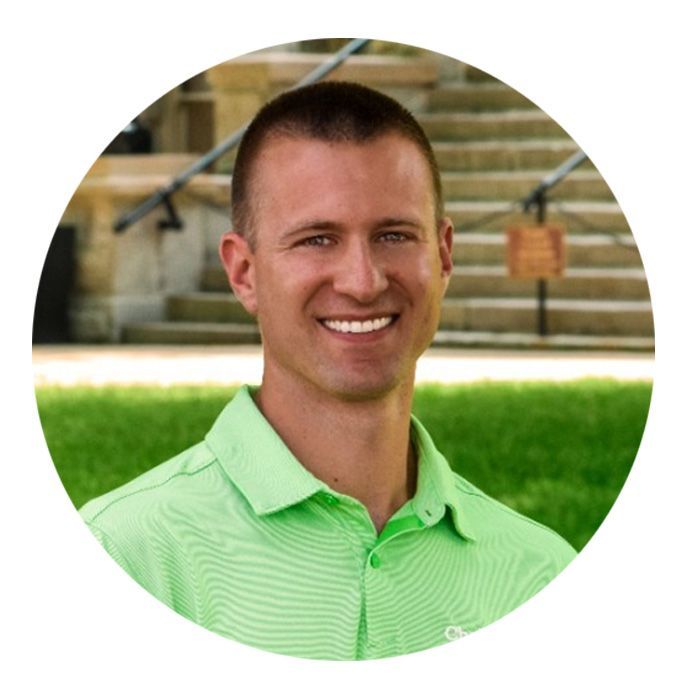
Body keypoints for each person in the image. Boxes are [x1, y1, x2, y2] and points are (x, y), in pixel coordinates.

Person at [80, 81, 577, 660]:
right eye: (317, 239)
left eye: (394, 235)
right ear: (243, 273)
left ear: (443, 256)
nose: (362, 281)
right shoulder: (122, 557)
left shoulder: (542, 576)